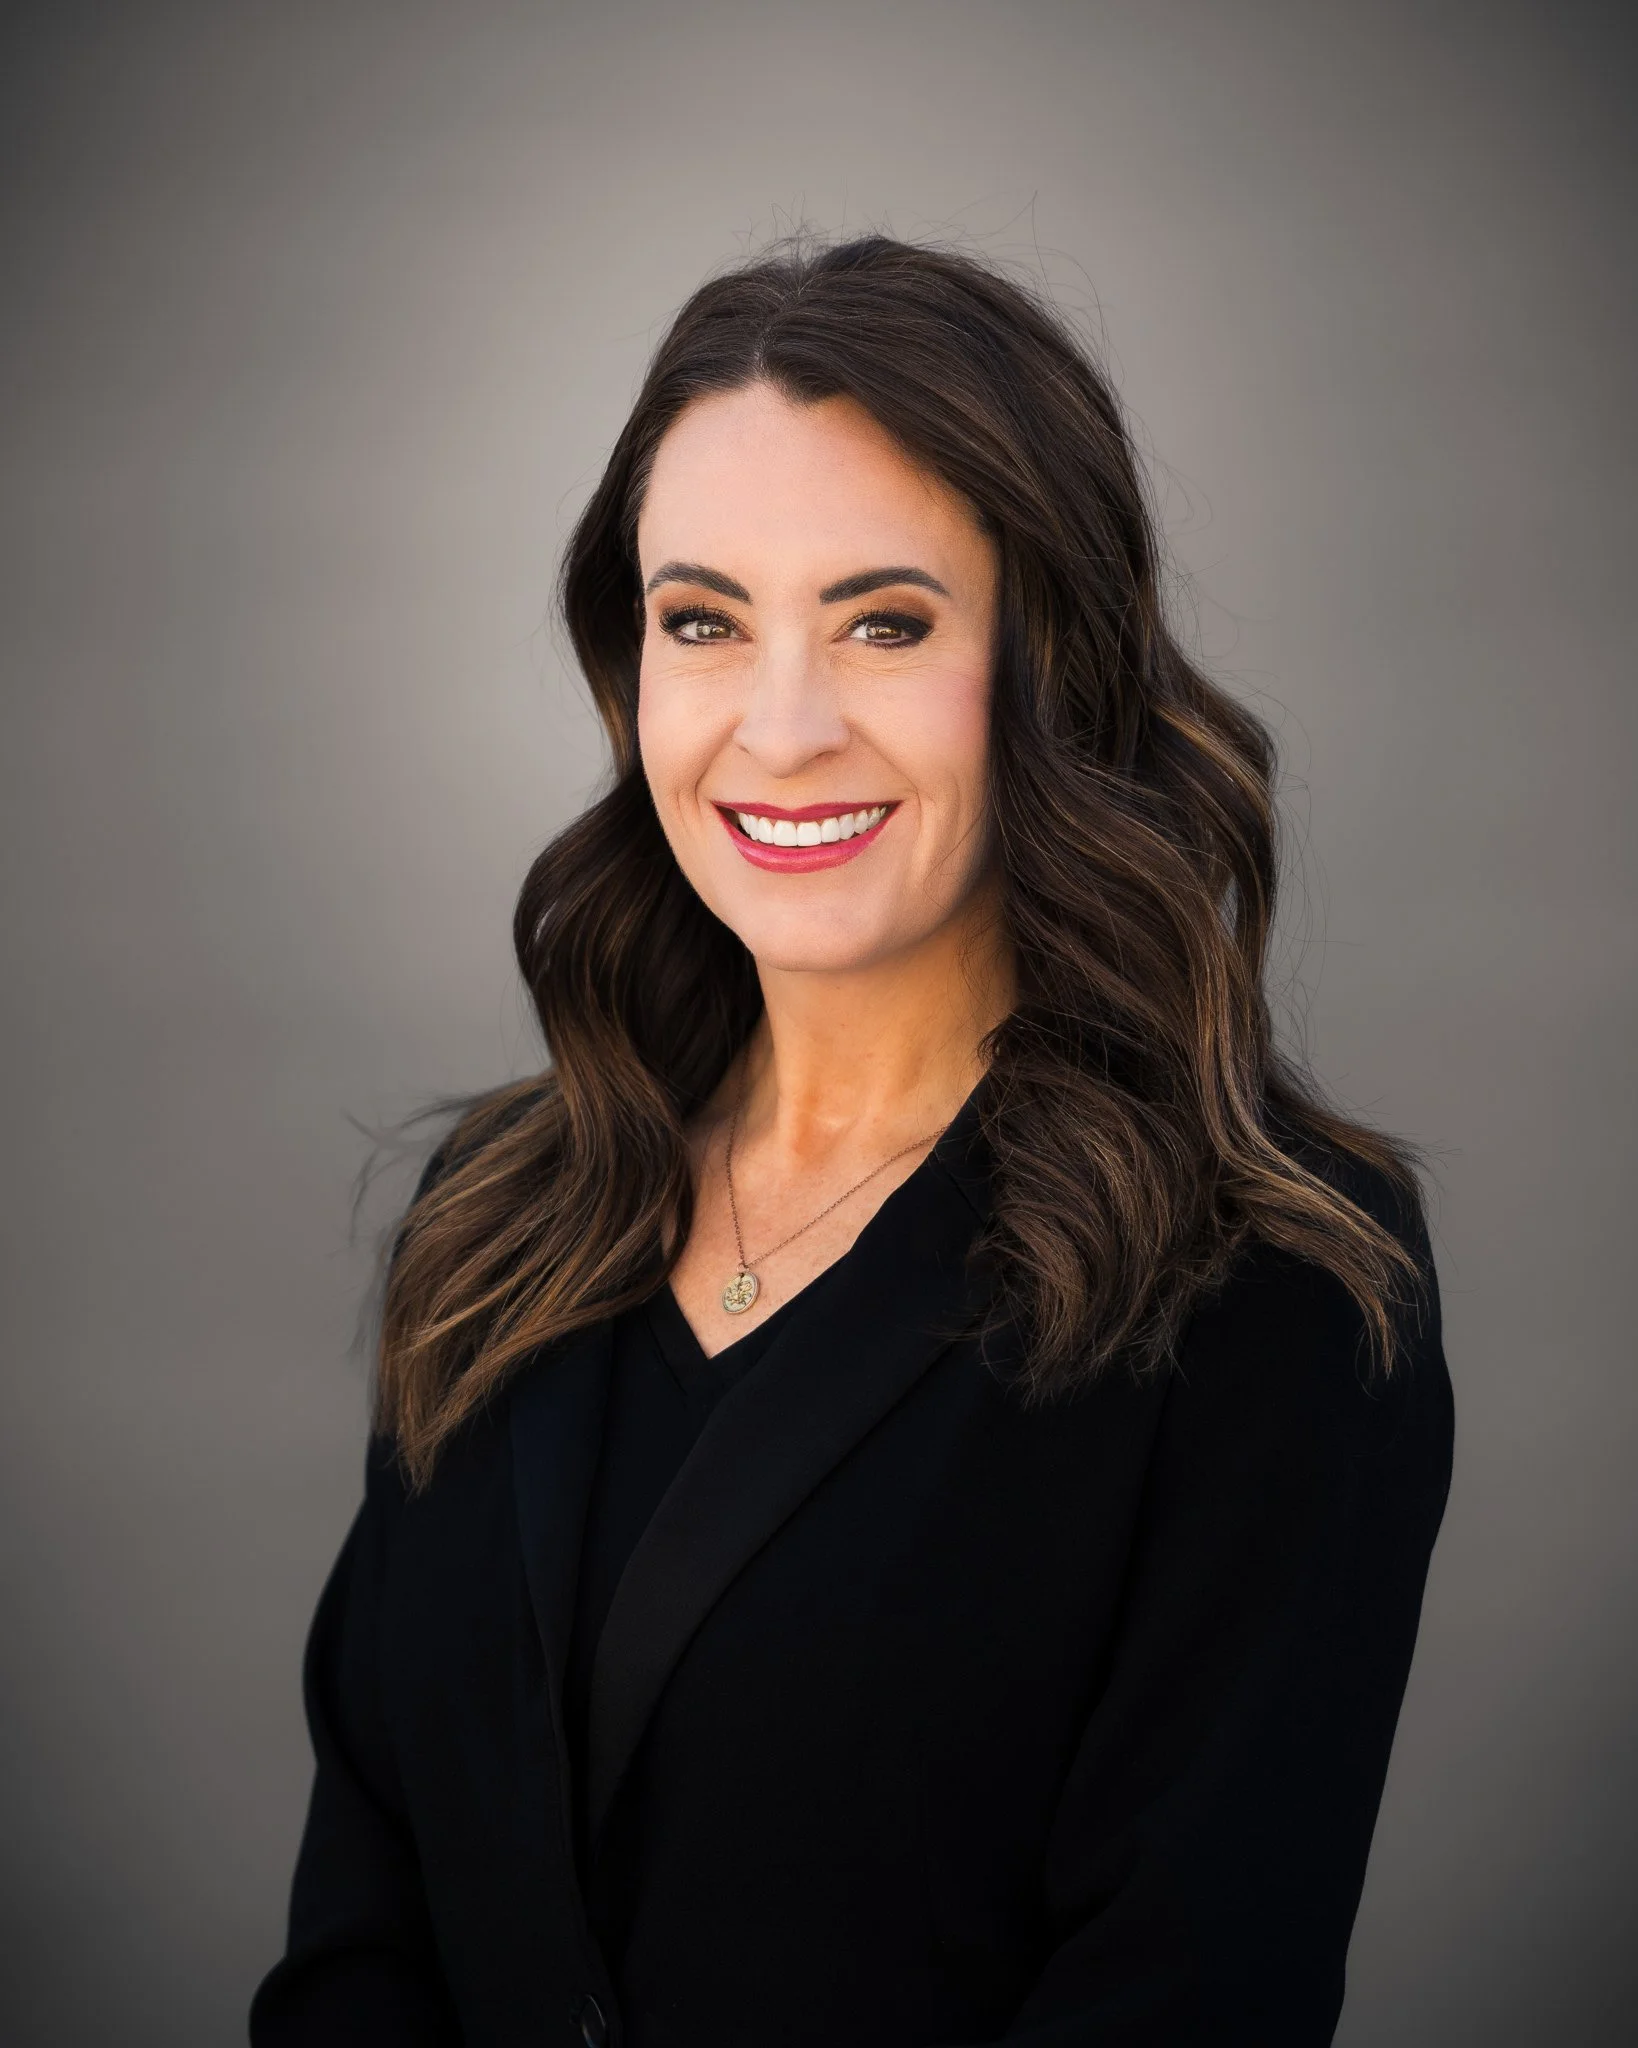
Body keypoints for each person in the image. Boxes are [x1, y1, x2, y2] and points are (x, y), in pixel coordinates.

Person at [250, 236, 1453, 2048]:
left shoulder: (1269, 1288)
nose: (780, 728)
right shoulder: (498, 1217)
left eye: (886, 622)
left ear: (1052, 661)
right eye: (702, 621)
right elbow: (365, 1930)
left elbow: (1183, 1997)